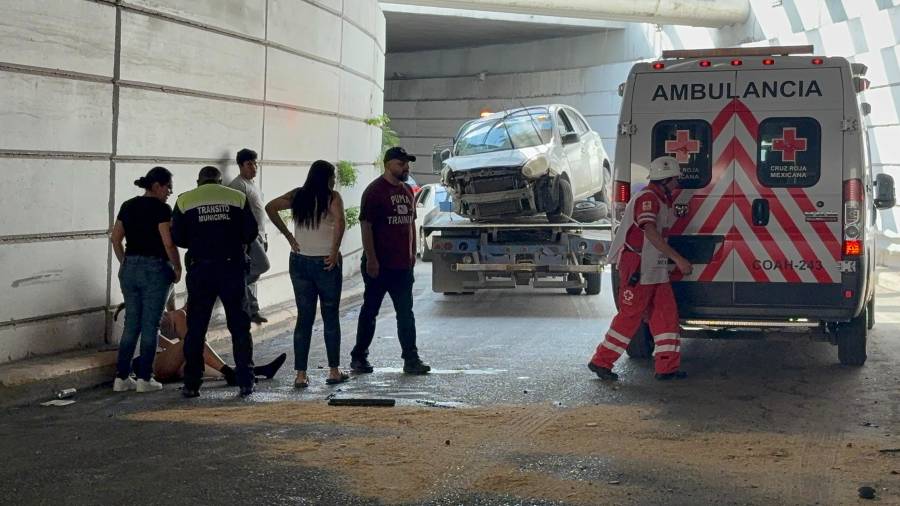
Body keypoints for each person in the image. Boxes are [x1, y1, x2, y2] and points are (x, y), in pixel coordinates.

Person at [588, 156, 693, 381]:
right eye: (675, 180)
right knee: (630, 316)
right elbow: (650, 232)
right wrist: (679, 259)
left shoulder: (658, 198)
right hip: (639, 267)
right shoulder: (648, 199)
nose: (677, 184)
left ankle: (667, 368)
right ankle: (600, 361)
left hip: (654, 268)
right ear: (666, 180)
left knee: (666, 315)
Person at [172, 166, 259, 397]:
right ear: (220, 181)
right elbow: (250, 232)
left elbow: (178, 238)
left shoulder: (184, 200)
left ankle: (192, 384)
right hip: (231, 267)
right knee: (239, 327)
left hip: (201, 269)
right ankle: (245, 381)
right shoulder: (237, 197)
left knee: (196, 328)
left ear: (198, 182)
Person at [265, 160, 349, 388]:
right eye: (332, 175)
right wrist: (334, 251)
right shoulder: (332, 198)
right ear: (327, 177)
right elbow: (340, 222)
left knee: (304, 318)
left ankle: (300, 375)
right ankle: (333, 371)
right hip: (326, 263)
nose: (334, 179)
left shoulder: (297, 196)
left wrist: (289, 237)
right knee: (330, 315)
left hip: (300, 262)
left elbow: (270, 207)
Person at [350, 147, 431, 375]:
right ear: (388, 165)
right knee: (370, 311)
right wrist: (372, 260)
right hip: (380, 265)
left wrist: (412, 254)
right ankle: (359, 356)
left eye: (407, 164)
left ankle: (411, 359)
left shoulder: (407, 190)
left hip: (402, 266)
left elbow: (411, 225)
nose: (405, 168)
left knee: (406, 313)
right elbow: (366, 226)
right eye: (401, 163)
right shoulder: (375, 192)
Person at [110, 167, 182, 393]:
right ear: (157, 186)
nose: (170, 191)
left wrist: (126, 262)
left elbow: (115, 239)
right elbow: (168, 242)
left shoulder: (127, 205)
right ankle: (145, 378)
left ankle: (121, 378)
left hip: (130, 267)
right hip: (155, 268)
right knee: (151, 325)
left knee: (132, 324)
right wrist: (178, 267)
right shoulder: (162, 209)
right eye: (168, 186)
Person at [113, 301, 287, 384]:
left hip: (161, 358)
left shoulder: (149, 309)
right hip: (146, 363)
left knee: (207, 364)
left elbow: (159, 340)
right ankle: (234, 372)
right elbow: (148, 342)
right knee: (192, 339)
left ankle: (254, 371)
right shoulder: (132, 312)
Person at [229, 148, 271, 324]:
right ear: (240, 165)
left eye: (255, 163)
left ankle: (253, 311)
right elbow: (236, 215)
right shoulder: (238, 185)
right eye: (249, 164)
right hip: (249, 238)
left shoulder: (252, 183)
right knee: (261, 267)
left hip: (260, 236)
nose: (254, 167)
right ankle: (238, 288)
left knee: (254, 277)